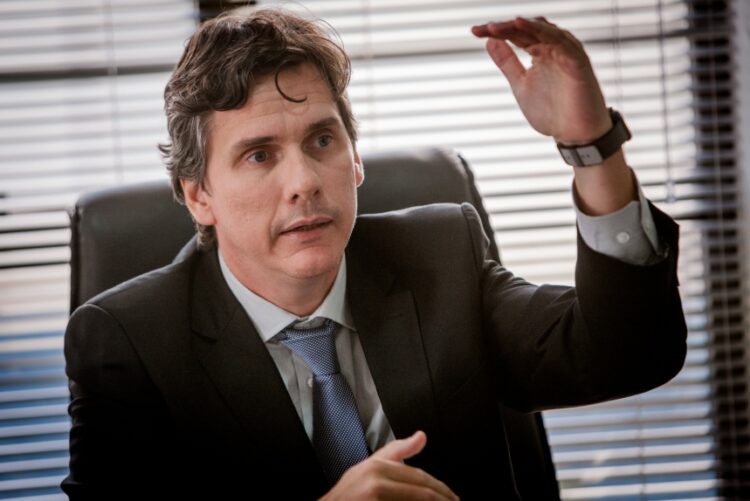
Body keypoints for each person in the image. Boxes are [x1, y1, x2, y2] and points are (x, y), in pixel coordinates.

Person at [62, 7, 687, 500]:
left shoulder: (438, 255)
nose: (304, 181)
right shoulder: (128, 344)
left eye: (322, 140)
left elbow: (628, 353)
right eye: (259, 155)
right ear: (200, 195)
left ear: (355, 161)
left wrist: (591, 147)